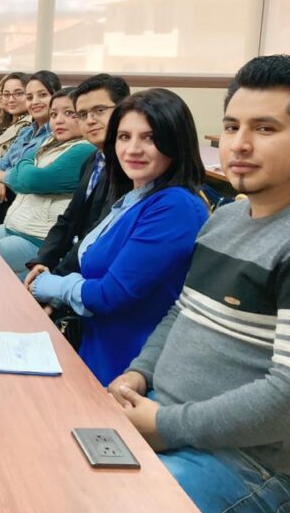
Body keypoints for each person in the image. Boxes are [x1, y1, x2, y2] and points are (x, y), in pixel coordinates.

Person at [107, 55, 290, 513]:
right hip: (170, 419)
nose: (239, 144)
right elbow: (183, 312)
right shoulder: (226, 218)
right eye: (231, 126)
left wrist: (165, 426)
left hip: (252, 466)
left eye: (265, 128)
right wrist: (139, 373)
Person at [28, 88, 208, 385]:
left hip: (126, 368)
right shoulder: (136, 194)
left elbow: (110, 295)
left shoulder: (175, 207)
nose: (132, 149)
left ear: (175, 142)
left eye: (149, 138)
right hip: (92, 347)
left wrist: (48, 285)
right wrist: (57, 295)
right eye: (124, 137)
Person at [24, 74, 131, 281]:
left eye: (99, 110)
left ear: (124, 111)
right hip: (75, 265)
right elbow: (68, 219)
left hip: (99, 274)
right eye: (82, 114)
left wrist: (56, 277)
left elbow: (100, 232)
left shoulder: (129, 168)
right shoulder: (93, 160)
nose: (90, 120)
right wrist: (42, 261)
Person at [0, 88, 94, 279]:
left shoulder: (84, 150)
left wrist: (21, 173)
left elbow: (32, 180)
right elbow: (22, 165)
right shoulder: (50, 141)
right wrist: (23, 172)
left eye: (69, 113)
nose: (58, 120)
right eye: (53, 114)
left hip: (37, 239)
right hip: (13, 226)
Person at [0, 70, 61, 205]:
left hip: (25, 201)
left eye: (42, 95)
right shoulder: (26, 131)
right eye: (30, 97)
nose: (35, 102)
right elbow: (0, 164)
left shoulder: (57, 134)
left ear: (56, 98)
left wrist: (0, 177)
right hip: (2, 194)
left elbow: (29, 178)